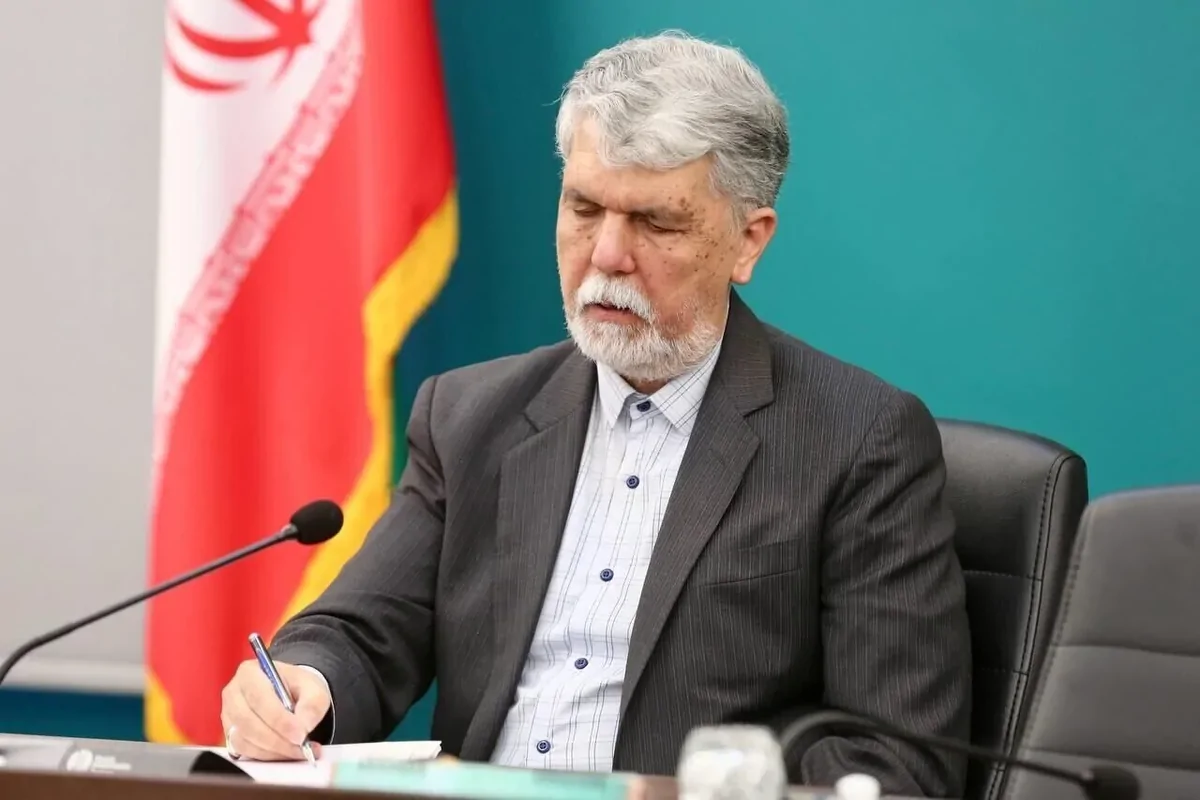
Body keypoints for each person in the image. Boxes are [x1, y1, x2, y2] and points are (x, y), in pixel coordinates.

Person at [218, 30, 971, 797]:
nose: (606, 254)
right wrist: (305, 682)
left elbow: (894, 763)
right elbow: (360, 632)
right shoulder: (471, 417)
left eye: (656, 222)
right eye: (583, 207)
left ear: (748, 242)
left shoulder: (855, 440)